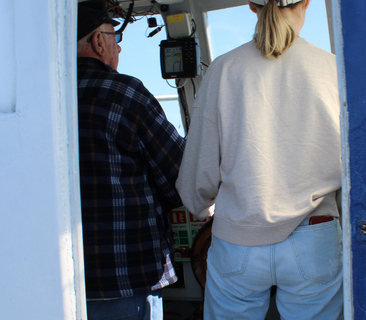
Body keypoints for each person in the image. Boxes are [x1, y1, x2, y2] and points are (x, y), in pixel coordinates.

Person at [176, 0, 343, 319]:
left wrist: (200, 204)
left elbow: (198, 176)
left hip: (238, 238)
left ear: (252, 6)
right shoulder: (334, 69)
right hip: (315, 233)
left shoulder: (224, 69)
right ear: (306, 2)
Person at [76, 1, 185, 319]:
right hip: (126, 279)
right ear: (98, 41)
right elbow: (179, 179)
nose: (119, 49)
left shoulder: (35, 99)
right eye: (115, 37)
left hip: (50, 279)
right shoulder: (125, 94)